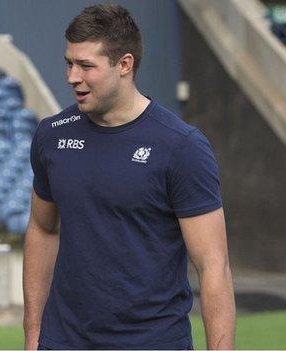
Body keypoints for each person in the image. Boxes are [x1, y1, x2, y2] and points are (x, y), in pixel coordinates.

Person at [23, 4, 235, 350]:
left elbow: (213, 266)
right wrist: (33, 333)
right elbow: (43, 229)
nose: (72, 77)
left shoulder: (181, 147)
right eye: (69, 63)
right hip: (64, 342)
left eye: (86, 66)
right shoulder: (51, 136)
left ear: (125, 64)